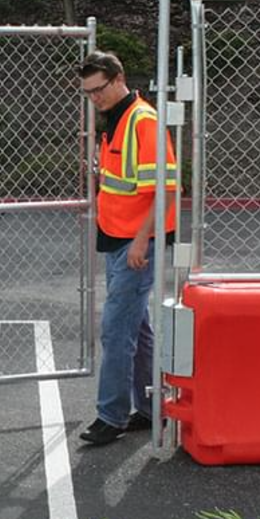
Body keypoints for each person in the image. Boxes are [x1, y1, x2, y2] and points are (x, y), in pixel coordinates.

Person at [78, 50, 177, 446]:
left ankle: (111, 416)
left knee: (117, 331)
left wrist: (140, 242)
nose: (94, 98)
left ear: (118, 78)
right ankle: (153, 408)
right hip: (120, 239)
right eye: (87, 93)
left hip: (137, 244)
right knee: (137, 328)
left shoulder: (144, 122)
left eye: (98, 89)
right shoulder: (117, 120)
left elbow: (166, 190)